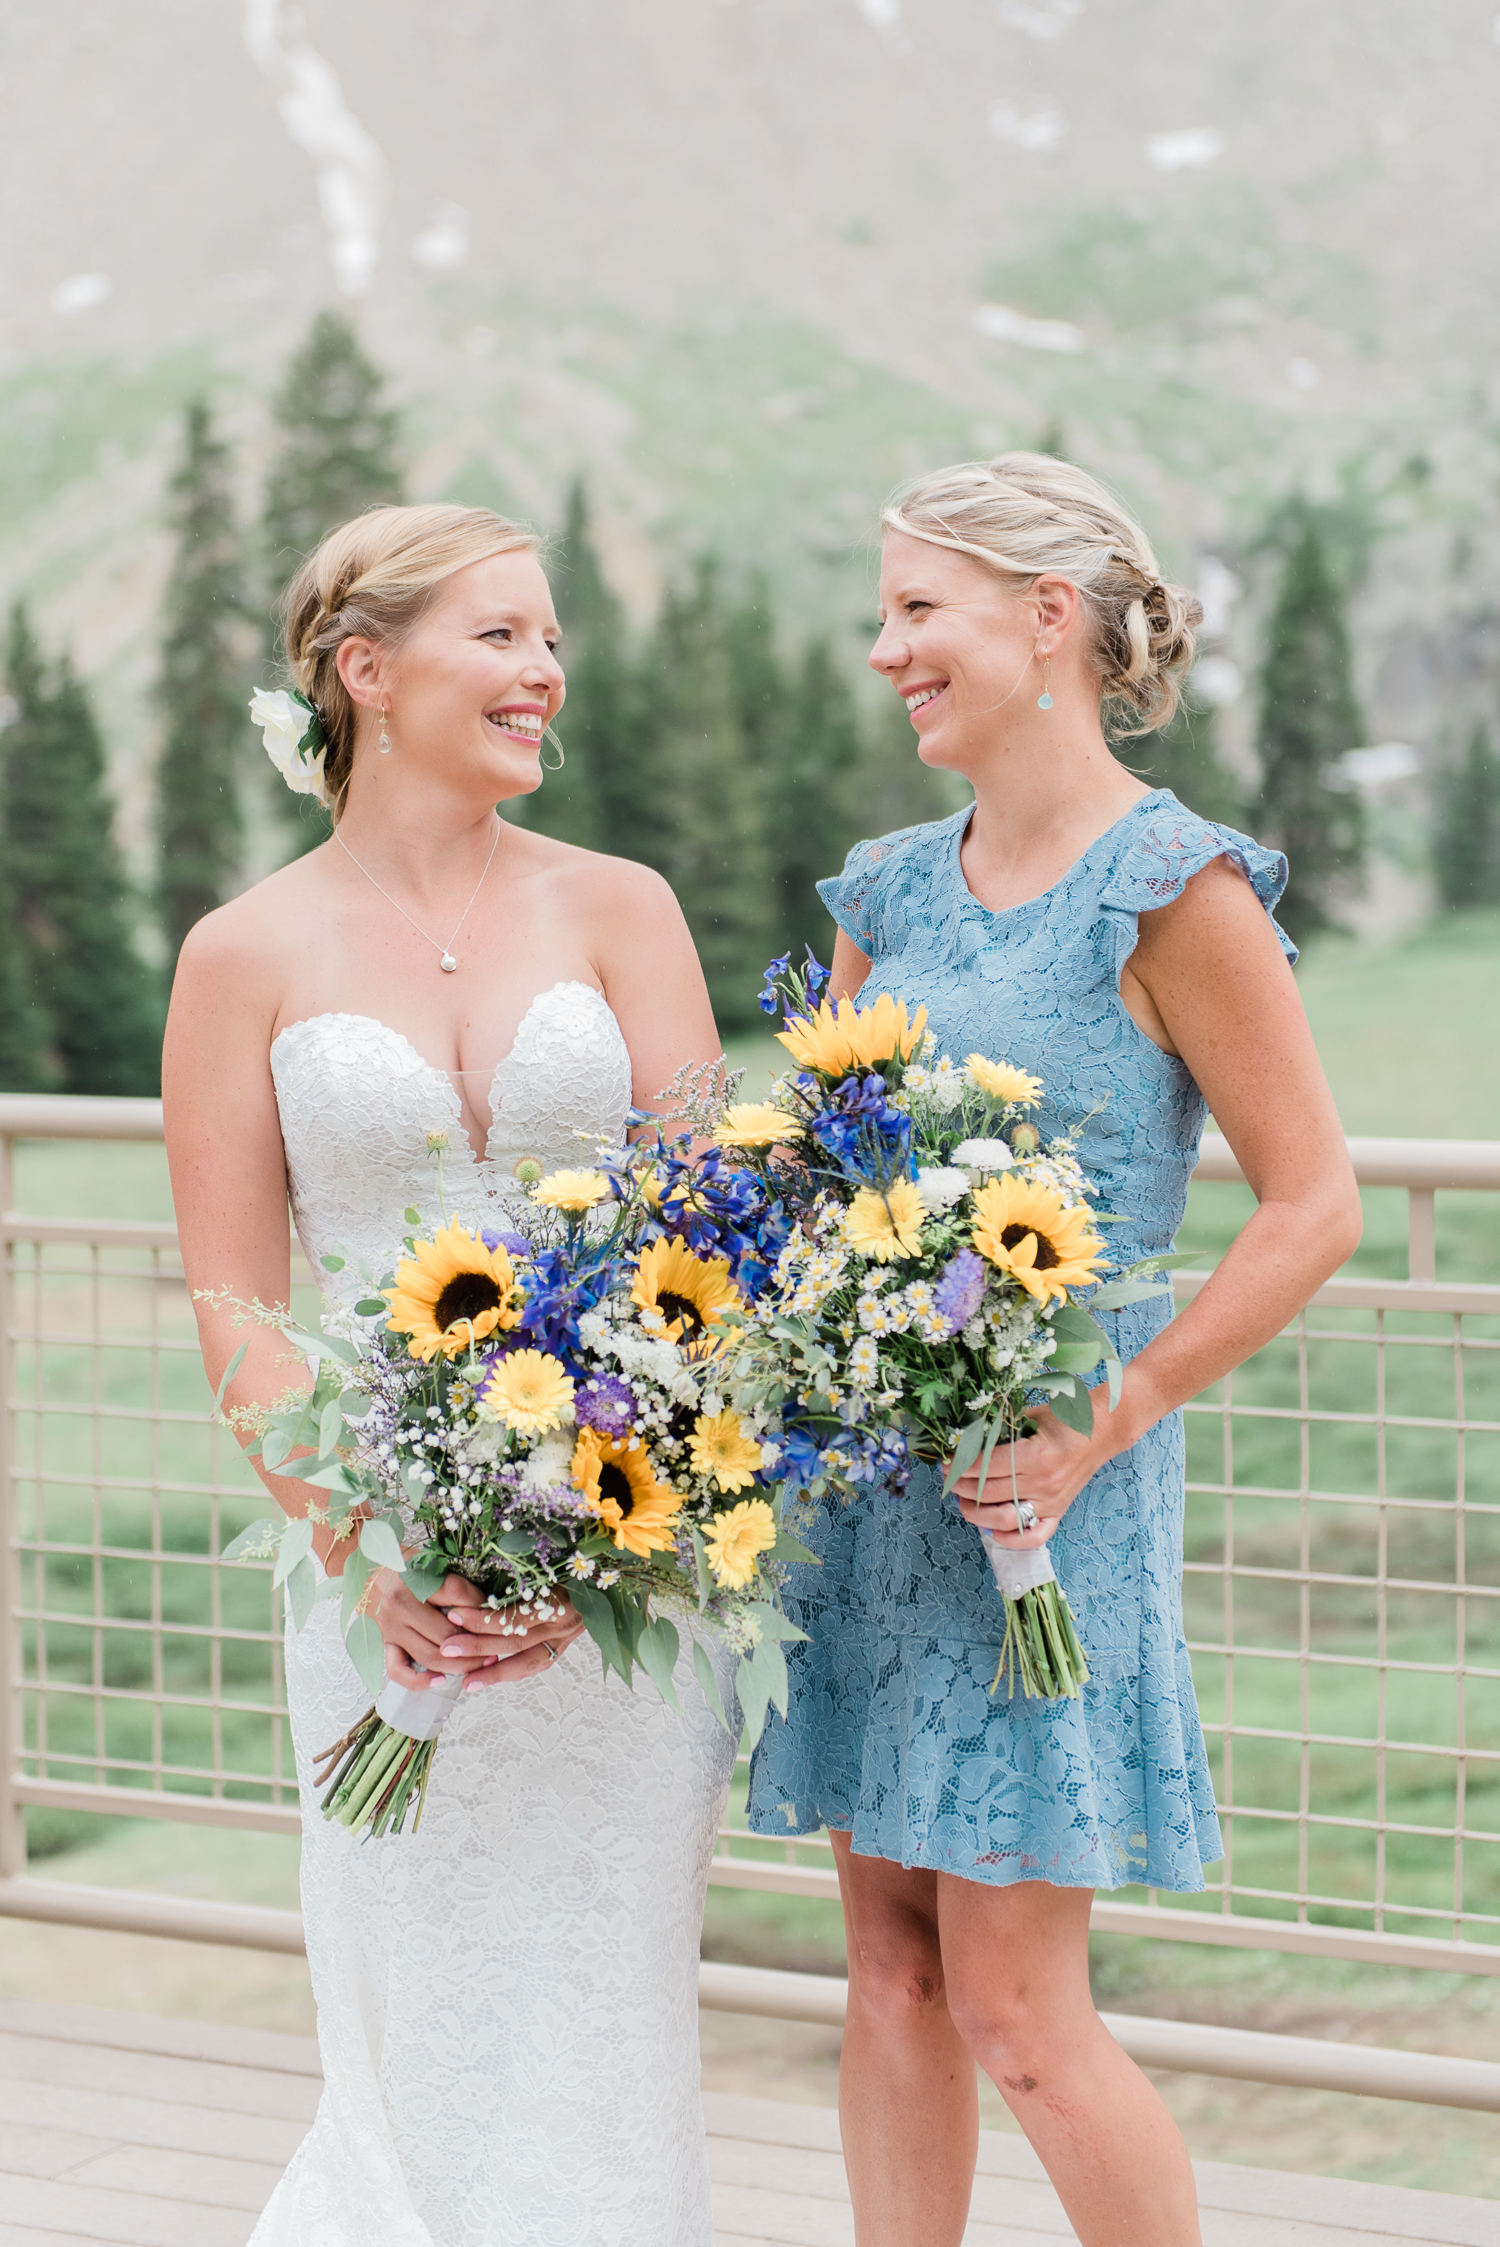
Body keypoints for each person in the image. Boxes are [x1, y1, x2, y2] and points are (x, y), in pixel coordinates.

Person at [747, 455, 1362, 2247]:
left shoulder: (1178, 889)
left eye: (918, 610)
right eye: (886, 613)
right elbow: (821, 1167)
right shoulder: (888, 891)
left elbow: (1311, 1202)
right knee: (888, 1978)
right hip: (873, 1489)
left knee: (1021, 2015)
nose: (885, 650)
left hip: (1051, 1489)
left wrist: (1119, 1410)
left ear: (1049, 619)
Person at [164, 504, 736, 2247]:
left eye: (550, 637)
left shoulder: (622, 907)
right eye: (500, 635)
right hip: (380, 1574)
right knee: (409, 2009)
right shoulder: (239, 956)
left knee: (612, 2003)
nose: (545, 669)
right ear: (366, 669)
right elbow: (238, 1301)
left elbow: (712, 1252)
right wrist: (361, 1551)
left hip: (629, 1581)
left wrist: (618, 1530)